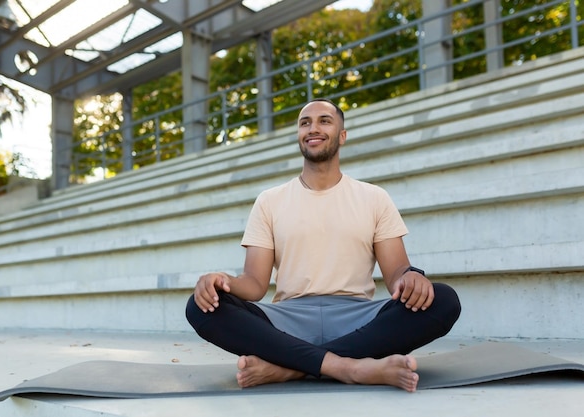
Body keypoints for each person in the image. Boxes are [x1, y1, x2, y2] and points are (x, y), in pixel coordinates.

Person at [185, 98, 461, 392]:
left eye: (324, 121)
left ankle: (289, 369)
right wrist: (221, 281)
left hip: (358, 317)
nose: (312, 128)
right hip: (287, 320)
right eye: (305, 123)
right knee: (201, 307)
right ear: (299, 135)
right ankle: (350, 367)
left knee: (442, 299)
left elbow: (397, 275)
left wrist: (411, 277)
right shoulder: (270, 200)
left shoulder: (374, 197)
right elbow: (254, 285)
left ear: (342, 136)